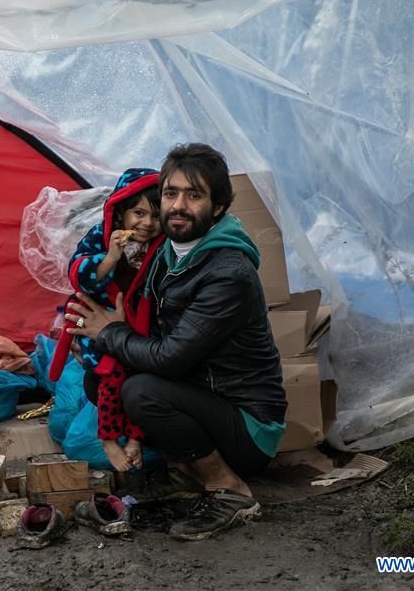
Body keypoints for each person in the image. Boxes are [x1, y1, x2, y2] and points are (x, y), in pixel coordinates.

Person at [65, 143, 287, 541]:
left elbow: (168, 360)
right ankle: (186, 472)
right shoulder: (166, 251)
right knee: (99, 381)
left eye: (194, 195)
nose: (178, 206)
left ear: (218, 206)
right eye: (171, 193)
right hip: (201, 396)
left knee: (141, 390)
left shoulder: (227, 272)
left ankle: (229, 488)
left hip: (248, 423)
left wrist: (110, 331)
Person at [49, 168, 165, 472]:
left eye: (155, 216)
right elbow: (80, 276)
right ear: (121, 212)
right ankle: (109, 439)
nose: (147, 223)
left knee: (142, 375)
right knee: (111, 373)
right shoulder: (102, 239)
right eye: (138, 213)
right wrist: (111, 257)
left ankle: (136, 440)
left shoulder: (159, 247)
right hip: (95, 325)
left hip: (136, 327)